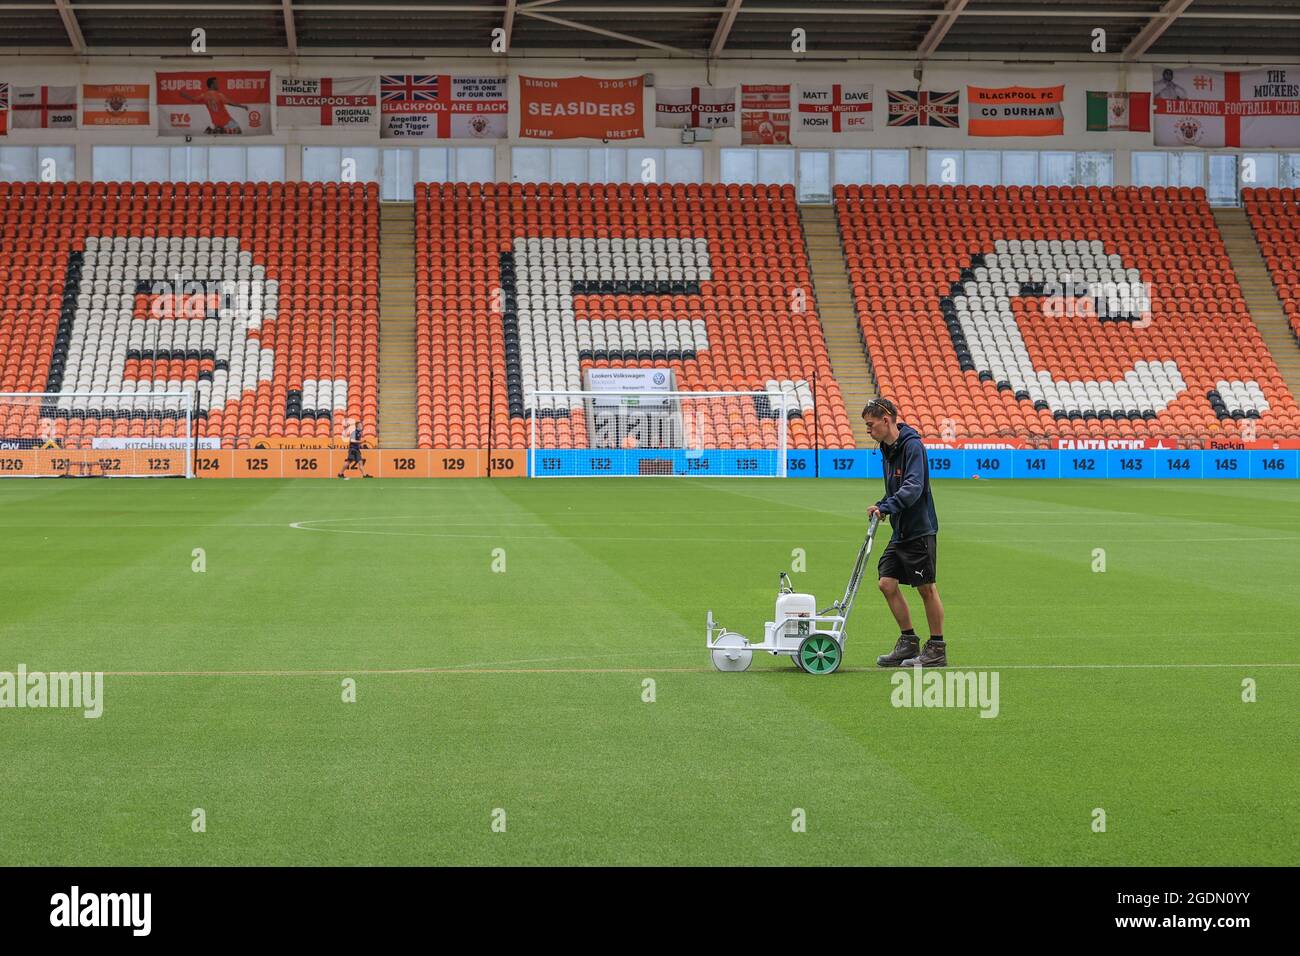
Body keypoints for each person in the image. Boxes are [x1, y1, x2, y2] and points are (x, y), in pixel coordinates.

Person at [862, 398, 946, 667]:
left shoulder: (912, 446)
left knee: (926, 589)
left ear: (886, 420)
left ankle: (936, 648)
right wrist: (882, 505)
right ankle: (908, 642)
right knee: (886, 583)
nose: (868, 430)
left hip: (919, 529)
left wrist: (887, 505)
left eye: (870, 424)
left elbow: (913, 487)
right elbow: (895, 489)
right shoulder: (887, 450)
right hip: (900, 530)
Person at [180, 77, 251, 134]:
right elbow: (231, 103)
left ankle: (217, 130)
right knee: (238, 131)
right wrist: (242, 106)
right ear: (212, 85)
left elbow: (193, 99)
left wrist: (184, 95)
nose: (218, 85)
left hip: (216, 121)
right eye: (216, 83)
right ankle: (214, 131)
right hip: (226, 120)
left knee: (223, 135)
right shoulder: (219, 95)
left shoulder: (204, 95)